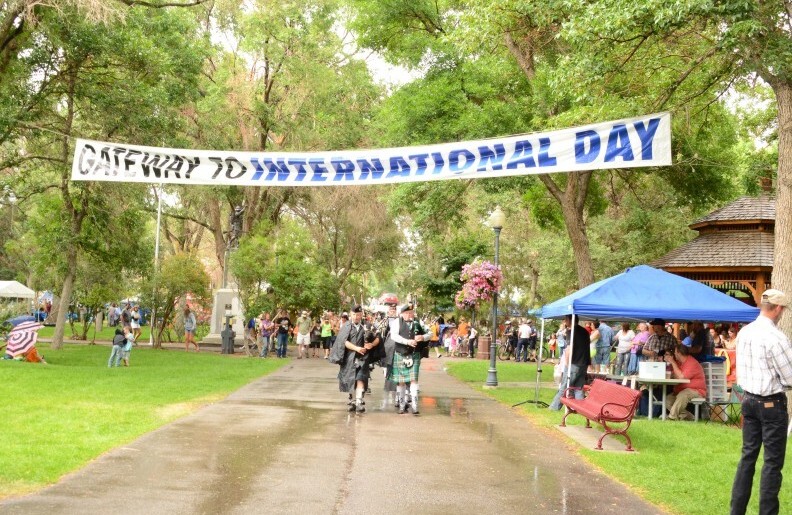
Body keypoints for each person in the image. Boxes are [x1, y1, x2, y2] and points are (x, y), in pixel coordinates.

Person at [730, 289, 792, 515]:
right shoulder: (777, 338)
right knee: (772, 464)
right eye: (782, 309)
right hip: (771, 403)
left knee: (747, 457)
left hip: (748, 399)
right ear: (777, 309)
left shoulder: (745, 332)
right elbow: (789, 377)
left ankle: (736, 511)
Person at [548, 314, 591, 410]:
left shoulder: (570, 332)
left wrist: (566, 364)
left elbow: (568, 349)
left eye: (565, 319)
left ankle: (554, 407)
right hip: (584, 362)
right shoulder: (585, 331)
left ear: (569, 320)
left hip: (574, 362)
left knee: (564, 386)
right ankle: (579, 409)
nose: (564, 321)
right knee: (578, 388)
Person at [388, 304, 424, 414]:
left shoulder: (419, 323)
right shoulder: (396, 323)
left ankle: (415, 405)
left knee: (414, 380)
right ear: (402, 314)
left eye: (411, 313)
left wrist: (423, 337)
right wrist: (407, 341)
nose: (410, 315)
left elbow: (430, 333)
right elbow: (394, 336)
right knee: (401, 381)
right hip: (400, 353)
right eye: (407, 313)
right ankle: (402, 405)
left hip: (414, 354)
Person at [663, 343, 706, 420]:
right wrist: (673, 365)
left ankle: (672, 418)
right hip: (681, 391)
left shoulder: (691, 363)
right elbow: (674, 376)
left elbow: (680, 377)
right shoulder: (680, 363)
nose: (674, 354)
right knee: (667, 400)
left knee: (683, 395)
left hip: (697, 391)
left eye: (675, 352)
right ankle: (690, 417)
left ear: (679, 353)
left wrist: (672, 362)